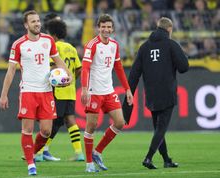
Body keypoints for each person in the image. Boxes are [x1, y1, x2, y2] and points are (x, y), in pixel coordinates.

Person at [0, 10, 72, 176]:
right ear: (26, 25)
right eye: (33, 21)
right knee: (28, 129)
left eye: (38, 21)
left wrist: (68, 75)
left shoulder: (48, 40)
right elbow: (10, 71)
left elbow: (58, 61)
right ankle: (31, 165)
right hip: (28, 91)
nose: (37, 24)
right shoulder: (18, 44)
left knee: (46, 131)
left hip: (46, 91)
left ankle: (30, 154)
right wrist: (4, 95)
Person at [124, 17, 189, 169]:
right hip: (167, 92)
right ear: (170, 29)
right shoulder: (171, 44)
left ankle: (166, 159)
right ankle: (148, 158)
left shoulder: (144, 47)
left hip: (151, 94)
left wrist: (129, 93)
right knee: (161, 128)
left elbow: (134, 73)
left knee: (158, 129)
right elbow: (184, 67)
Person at [80, 14, 133, 173]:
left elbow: (119, 68)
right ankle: (89, 163)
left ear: (112, 29)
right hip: (94, 92)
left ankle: (97, 152)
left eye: (109, 27)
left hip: (109, 91)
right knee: (91, 126)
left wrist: (127, 89)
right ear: (98, 28)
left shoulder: (114, 45)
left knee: (120, 122)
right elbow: (85, 68)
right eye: (103, 27)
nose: (106, 29)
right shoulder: (92, 45)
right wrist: (84, 89)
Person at [35, 19, 84, 162]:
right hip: (70, 90)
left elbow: (51, 68)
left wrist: (57, 80)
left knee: (52, 122)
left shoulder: (54, 47)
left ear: (53, 35)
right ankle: (79, 153)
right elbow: (79, 69)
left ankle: (39, 152)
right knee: (70, 120)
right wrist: (70, 79)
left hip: (58, 91)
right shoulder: (72, 48)